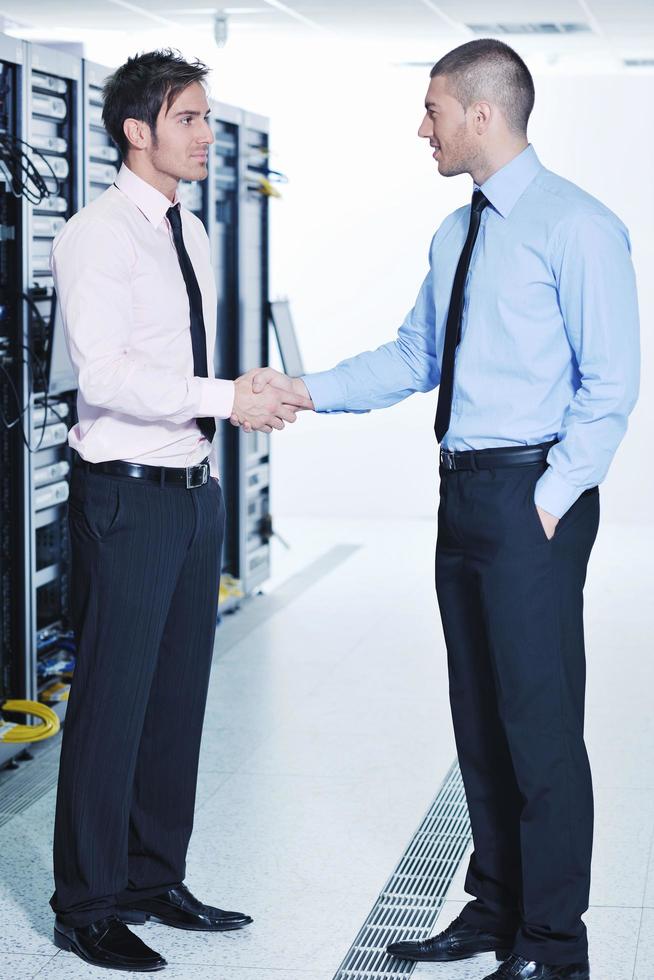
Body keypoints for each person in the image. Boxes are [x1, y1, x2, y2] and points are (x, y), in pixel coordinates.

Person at [235, 38, 640, 980]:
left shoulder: (577, 225)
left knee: (540, 725)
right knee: (479, 716)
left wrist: (548, 498)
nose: (422, 127)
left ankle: (552, 944)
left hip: (529, 496)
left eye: (432, 110)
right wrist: (302, 386)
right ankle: (495, 908)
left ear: (482, 113)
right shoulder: (457, 234)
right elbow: (415, 357)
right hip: (462, 496)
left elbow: (611, 385)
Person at [49, 49, 311, 972]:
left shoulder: (190, 233)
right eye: (190, 119)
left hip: (191, 493)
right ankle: (85, 902)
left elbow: (182, 369)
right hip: (124, 496)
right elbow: (109, 374)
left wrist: (242, 394)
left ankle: (155, 877)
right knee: (112, 707)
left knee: (175, 704)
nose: (205, 134)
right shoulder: (98, 235)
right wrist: (222, 397)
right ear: (138, 129)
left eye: (205, 119)